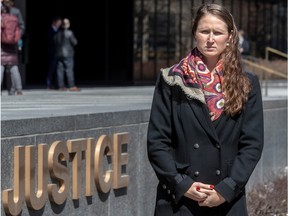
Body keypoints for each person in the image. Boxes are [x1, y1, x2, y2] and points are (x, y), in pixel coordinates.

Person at [147, 3, 264, 216]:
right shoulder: (172, 79)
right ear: (195, 33)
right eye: (204, 31)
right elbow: (157, 142)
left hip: (227, 200)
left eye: (218, 32)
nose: (210, 39)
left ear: (229, 37)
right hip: (179, 200)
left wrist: (226, 189)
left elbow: (252, 145)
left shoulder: (247, 83)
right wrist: (181, 185)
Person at [1, 0, 25, 95]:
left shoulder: (1, 13)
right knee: (14, 66)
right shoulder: (16, 12)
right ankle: (17, 89)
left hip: (2, 43)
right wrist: (17, 37)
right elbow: (22, 26)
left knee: (1, 66)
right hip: (13, 43)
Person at [54, 18, 80, 91]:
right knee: (69, 70)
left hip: (59, 53)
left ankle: (61, 86)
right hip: (68, 53)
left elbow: (54, 42)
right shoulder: (69, 33)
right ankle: (71, 85)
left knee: (60, 70)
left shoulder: (57, 33)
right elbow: (74, 42)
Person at [46, 16, 62, 90]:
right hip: (52, 52)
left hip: (57, 52)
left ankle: (56, 84)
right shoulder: (50, 30)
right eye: (58, 23)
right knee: (51, 69)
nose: (59, 24)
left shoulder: (58, 30)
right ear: (54, 22)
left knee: (56, 69)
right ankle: (49, 84)